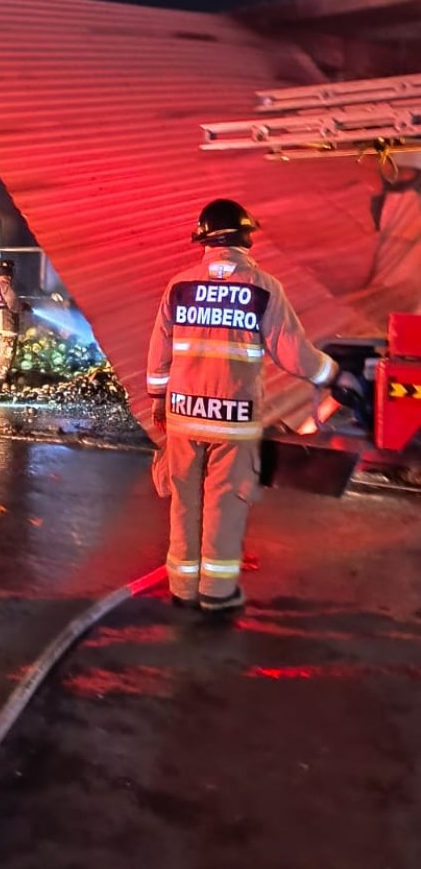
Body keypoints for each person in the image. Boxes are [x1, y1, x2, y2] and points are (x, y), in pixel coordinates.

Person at [146, 198, 338, 614]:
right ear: (245, 239)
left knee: (184, 500)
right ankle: (216, 594)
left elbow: (159, 351)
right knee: (225, 500)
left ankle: (182, 589)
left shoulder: (179, 286)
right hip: (232, 420)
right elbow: (294, 355)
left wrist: (159, 399)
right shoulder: (262, 287)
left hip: (182, 415)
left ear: (204, 241)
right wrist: (331, 374)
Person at [0, 258, 25, 385]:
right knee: (6, 354)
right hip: (6, 326)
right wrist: (24, 306)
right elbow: (13, 304)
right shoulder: (5, 285)